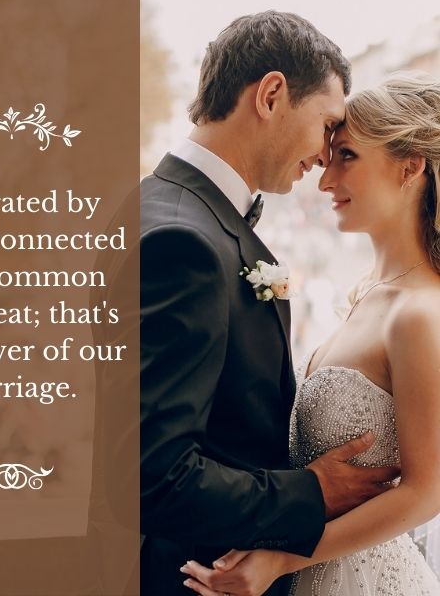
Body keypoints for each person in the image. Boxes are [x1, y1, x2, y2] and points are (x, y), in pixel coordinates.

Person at [139, 11, 400, 596]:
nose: (328, 152)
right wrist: (309, 491)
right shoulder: (186, 241)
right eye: (329, 124)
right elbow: (151, 474)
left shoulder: (163, 207)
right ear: (273, 94)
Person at [181, 72, 440, 595]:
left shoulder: (419, 313)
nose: (324, 181)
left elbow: (425, 492)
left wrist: (280, 559)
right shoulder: (368, 293)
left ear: (410, 166)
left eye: (347, 157)